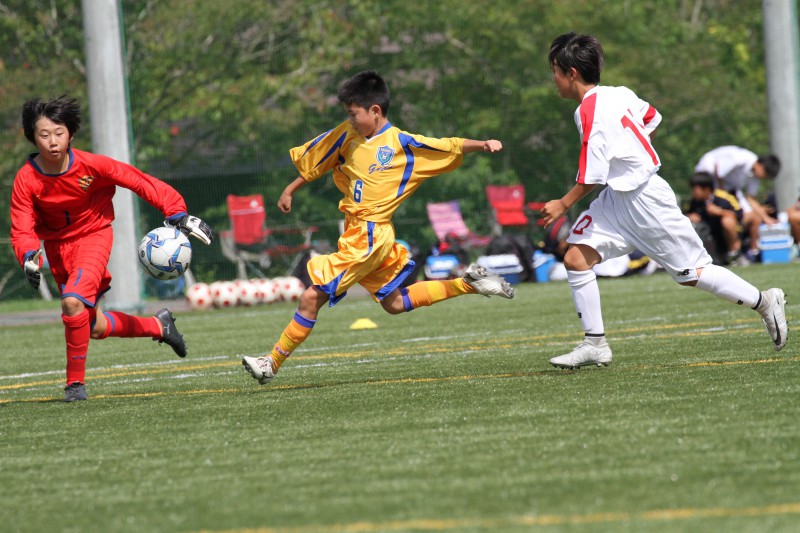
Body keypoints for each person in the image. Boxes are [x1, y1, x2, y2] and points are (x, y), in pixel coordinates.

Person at [242, 70, 514, 385]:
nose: (350, 119)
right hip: (356, 233)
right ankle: (468, 284)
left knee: (311, 297)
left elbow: (447, 145)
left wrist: (483, 144)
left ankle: (271, 363)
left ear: (374, 111)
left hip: (370, 237)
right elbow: (322, 160)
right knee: (394, 303)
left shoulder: (401, 144)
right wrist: (291, 189)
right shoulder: (348, 134)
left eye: (353, 113)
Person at [539, 32, 787, 370]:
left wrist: (562, 204)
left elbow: (591, 176)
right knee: (576, 257)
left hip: (645, 200)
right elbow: (652, 119)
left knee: (692, 273)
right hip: (618, 198)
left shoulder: (588, 111)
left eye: (554, 71)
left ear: (571, 73)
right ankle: (595, 344)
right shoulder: (620, 93)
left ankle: (764, 301)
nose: (553, 79)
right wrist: (633, 151)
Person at [10, 95, 214, 402]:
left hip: (93, 237)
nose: (53, 141)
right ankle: (159, 326)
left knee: (71, 303)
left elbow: (137, 180)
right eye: (44, 135)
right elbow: (21, 225)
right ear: (32, 137)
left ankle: (74, 385)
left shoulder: (92, 165)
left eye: (59, 133)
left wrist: (176, 213)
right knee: (92, 325)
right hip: (56, 248)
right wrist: (28, 254)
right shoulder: (26, 180)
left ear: (71, 134)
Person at [694, 145, 781, 261]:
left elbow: (751, 199)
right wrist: (723, 201)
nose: (764, 178)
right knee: (729, 217)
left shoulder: (754, 175)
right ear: (762, 166)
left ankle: (751, 251)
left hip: (730, 190)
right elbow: (718, 172)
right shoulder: (740, 158)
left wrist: (766, 218)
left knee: (754, 216)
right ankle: (733, 250)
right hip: (710, 180)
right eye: (766, 175)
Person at [684, 171, 747, 266]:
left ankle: (734, 254)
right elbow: (683, 215)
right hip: (709, 237)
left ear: (706, 189)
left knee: (727, 221)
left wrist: (719, 212)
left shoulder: (723, 197)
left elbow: (739, 215)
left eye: (695, 189)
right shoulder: (694, 202)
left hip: (728, 235)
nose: (693, 192)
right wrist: (689, 216)